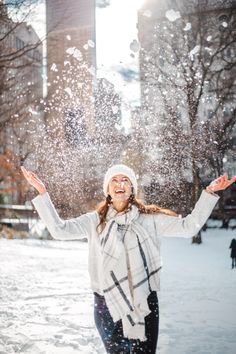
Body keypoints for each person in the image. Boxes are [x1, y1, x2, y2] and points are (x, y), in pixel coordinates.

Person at [21, 165, 236, 354]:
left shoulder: (149, 219)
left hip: (144, 299)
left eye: (125, 180)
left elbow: (189, 227)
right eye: (114, 180)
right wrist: (43, 193)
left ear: (132, 188)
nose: (120, 184)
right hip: (106, 303)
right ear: (107, 189)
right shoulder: (94, 221)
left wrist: (209, 193)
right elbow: (59, 230)